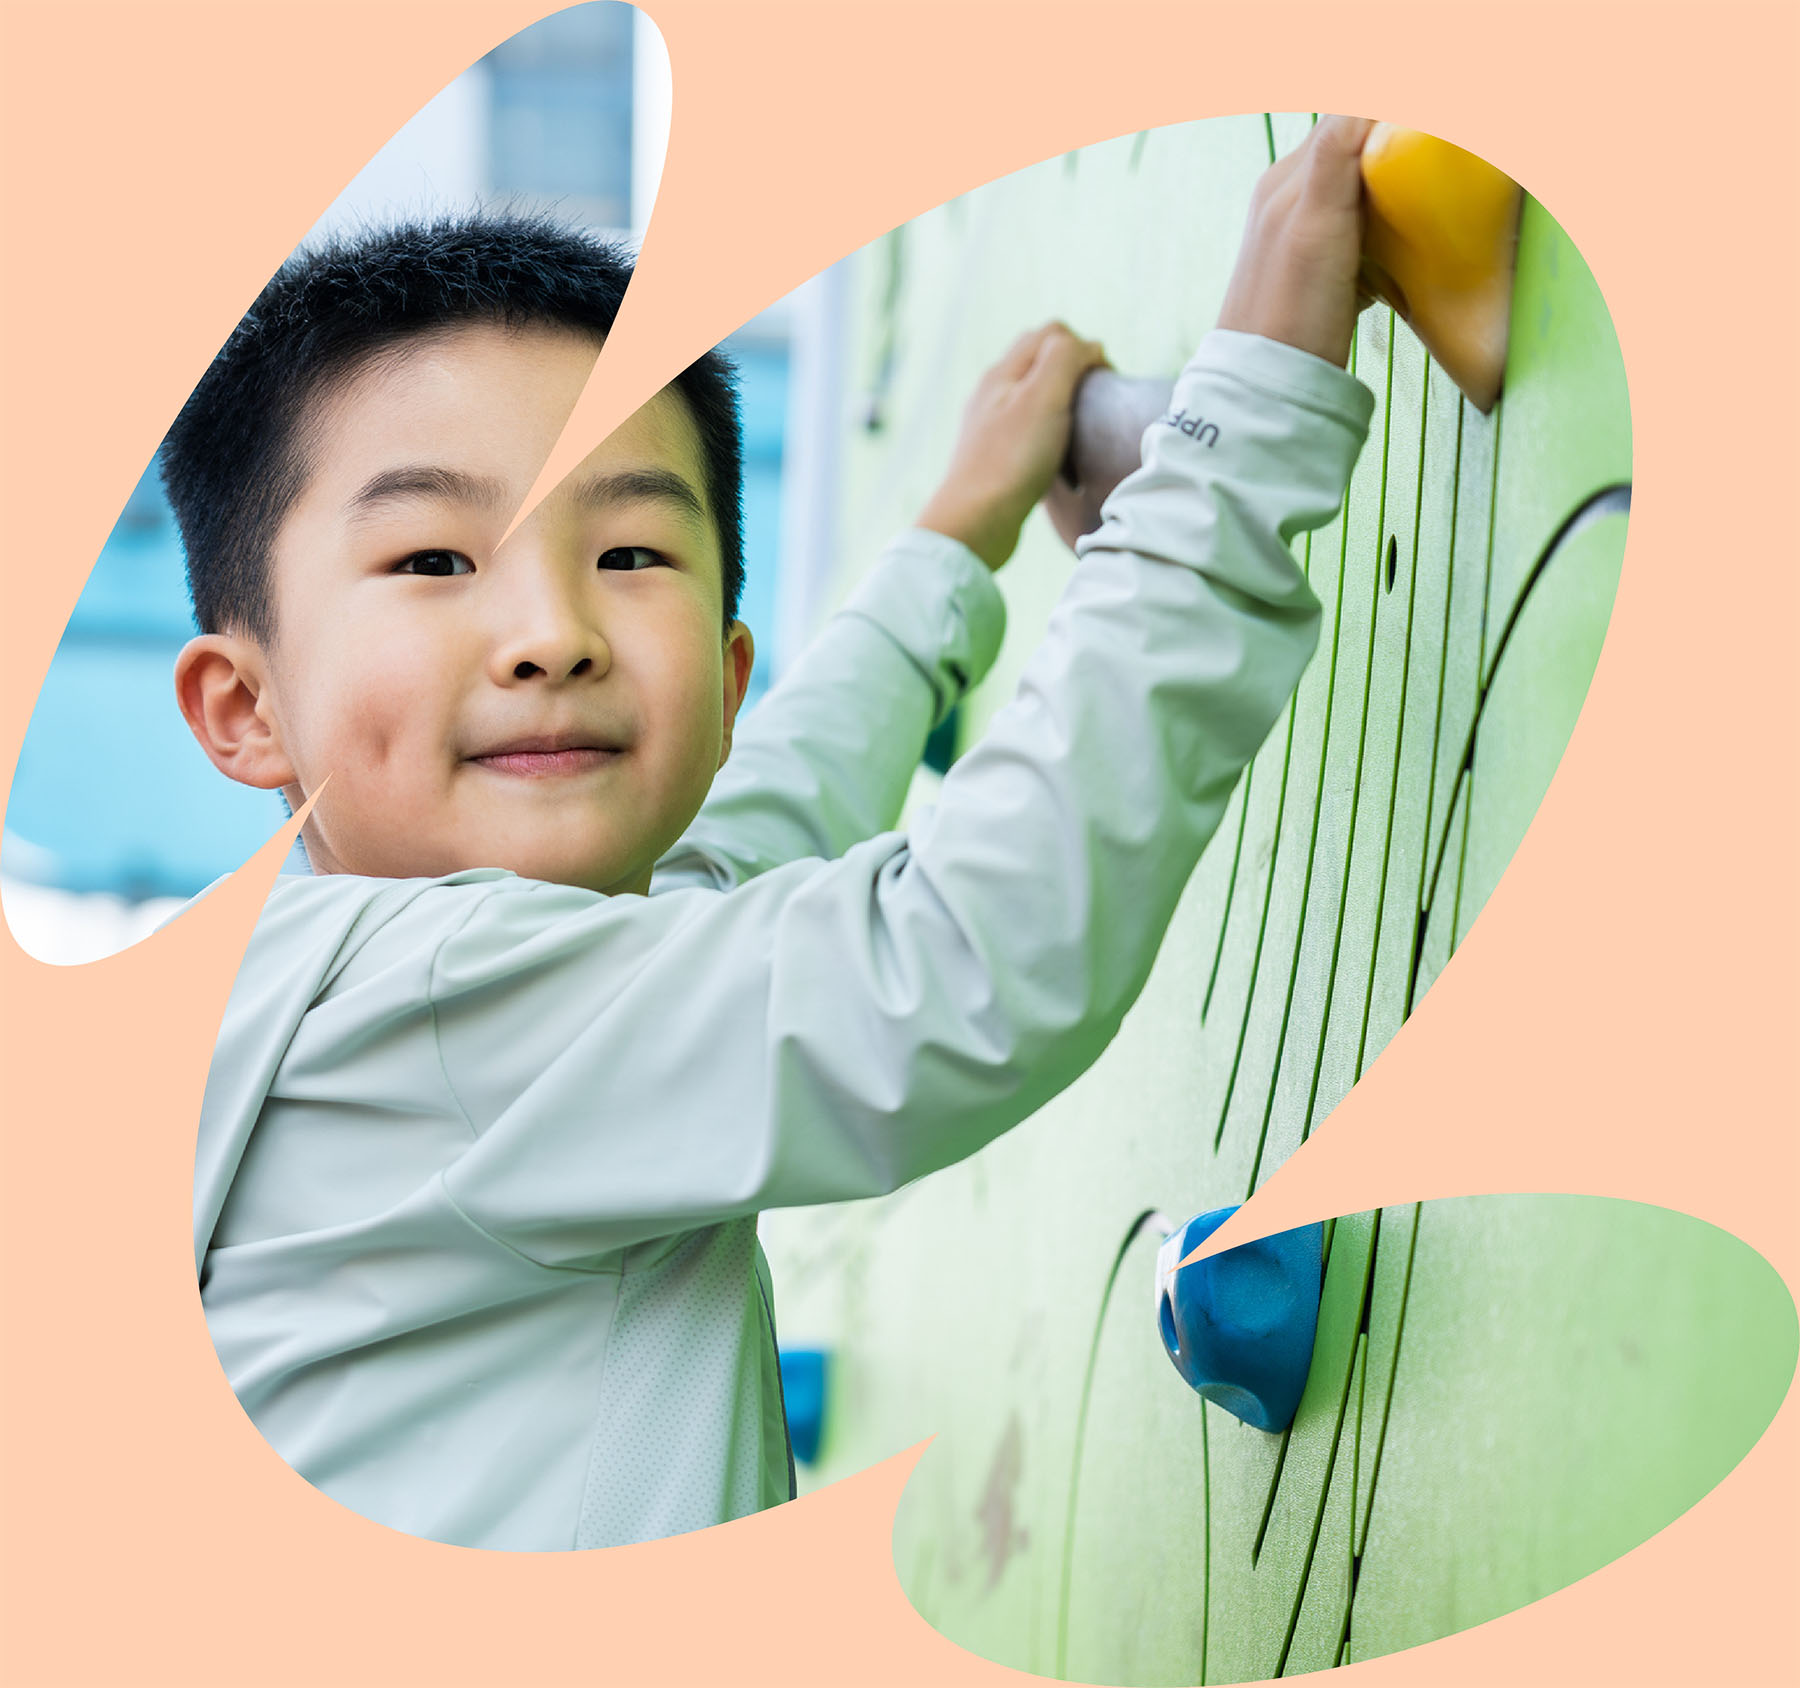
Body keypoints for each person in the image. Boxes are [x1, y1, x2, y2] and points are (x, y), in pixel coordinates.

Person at [171, 115, 1379, 1551]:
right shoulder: (426, 1001)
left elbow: (740, 849)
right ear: (245, 707)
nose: (552, 632)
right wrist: (1248, 414)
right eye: (434, 558)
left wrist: (950, 548)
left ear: (729, 676)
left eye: (629, 552)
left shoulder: (344, 998)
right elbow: (953, 967)